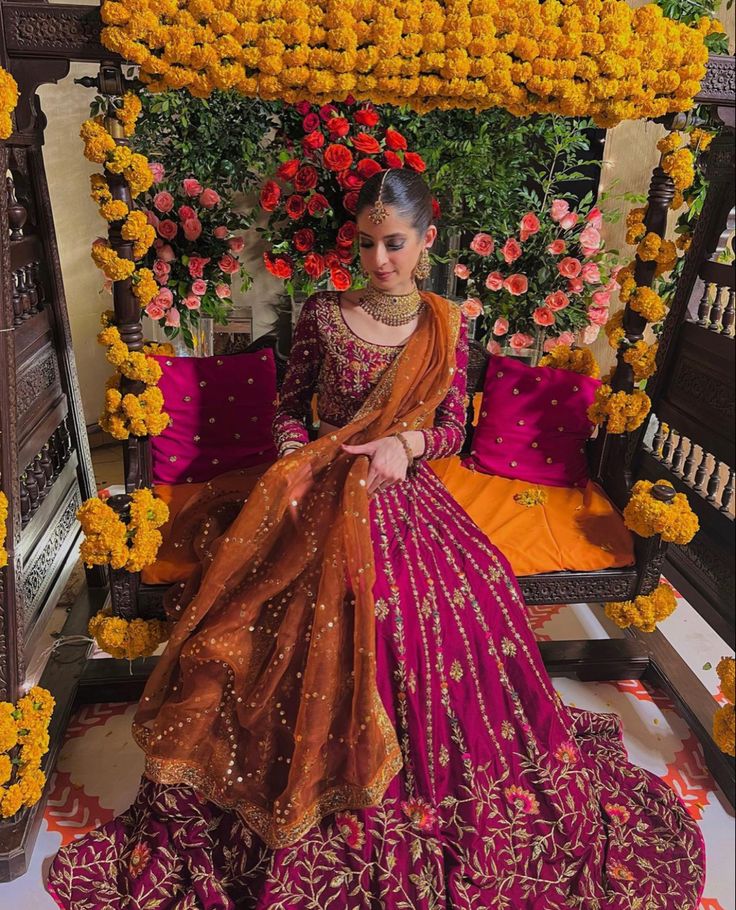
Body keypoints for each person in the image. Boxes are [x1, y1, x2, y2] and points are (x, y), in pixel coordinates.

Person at [47, 169, 705, 909]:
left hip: (407, 487)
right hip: (323, 482)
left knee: (470, 581)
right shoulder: (325, 315)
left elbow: (454, 429)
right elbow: (289, 411)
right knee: (289, 594)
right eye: (366, 244)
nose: (379, 259)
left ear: (426, 240)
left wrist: (408, 444)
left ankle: (436, 786)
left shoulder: (445, 324)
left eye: (394, 243)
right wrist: (308, 462)